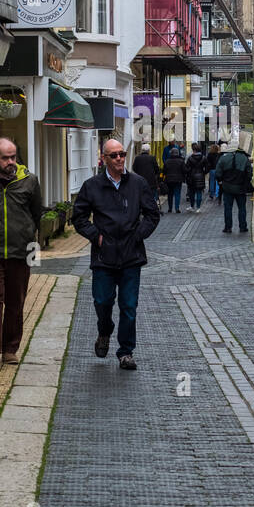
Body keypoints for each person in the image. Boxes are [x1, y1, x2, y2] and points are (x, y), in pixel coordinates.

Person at [72, 137, 160, 370]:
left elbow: (153, 214)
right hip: (104, 256)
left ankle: (125, 352)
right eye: (114, 155)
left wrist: (138, 235)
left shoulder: (137, 184)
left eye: (122, 154)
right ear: (104, 159)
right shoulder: (92, 186)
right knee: (102, 302)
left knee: (129, 306)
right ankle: (104, 330)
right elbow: (78, 218)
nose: (120, 158)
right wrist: (96, 236)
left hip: (131, 256)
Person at [0, 138, 45, 368]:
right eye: (5, 158)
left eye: (13, 157)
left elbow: (36, 214)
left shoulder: (30, 181)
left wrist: (24, 234)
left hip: (21, 250)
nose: (11, 162)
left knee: (16, 300)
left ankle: (10, 349)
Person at [216, 137, 253, 234]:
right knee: (242, 208)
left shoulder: (223, 157)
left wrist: (220, 181)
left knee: (228, 208)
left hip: (227, 187)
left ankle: (228, 227)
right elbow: (249, 173)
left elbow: (218, 173)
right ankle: (243, 227)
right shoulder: (244, 158)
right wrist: (246, 182)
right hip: (241, 188)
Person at [132, 142, 162, 213]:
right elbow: (157, 169)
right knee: (151, 196)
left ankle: (142, 208)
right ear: (149, 150)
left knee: (141, 195)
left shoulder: (137, 158)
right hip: (151, 181)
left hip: (140, 181)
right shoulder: (152, 158)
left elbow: (134, 168)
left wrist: (139, 173)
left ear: (142, 150)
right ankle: (150, 209)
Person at [162, 142, 186, 213]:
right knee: (177, 193)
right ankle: (177, 208)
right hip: (178, 180)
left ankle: (170, 208)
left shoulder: (167, 161)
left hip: (169, 180)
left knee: (170, 194)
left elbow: (164, 171)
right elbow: (184, 170)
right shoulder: (181, 161)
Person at [184, 143, 208, 211]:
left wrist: (188, 173)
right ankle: (198, 207)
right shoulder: (203, 158)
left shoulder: (190, 158)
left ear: (194, 150)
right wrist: (203, 172)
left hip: (191, 176)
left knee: (192, 192)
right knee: (199, 192)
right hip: (200, 176)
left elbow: (186, 168)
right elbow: (207, 167)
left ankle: (192, 206)